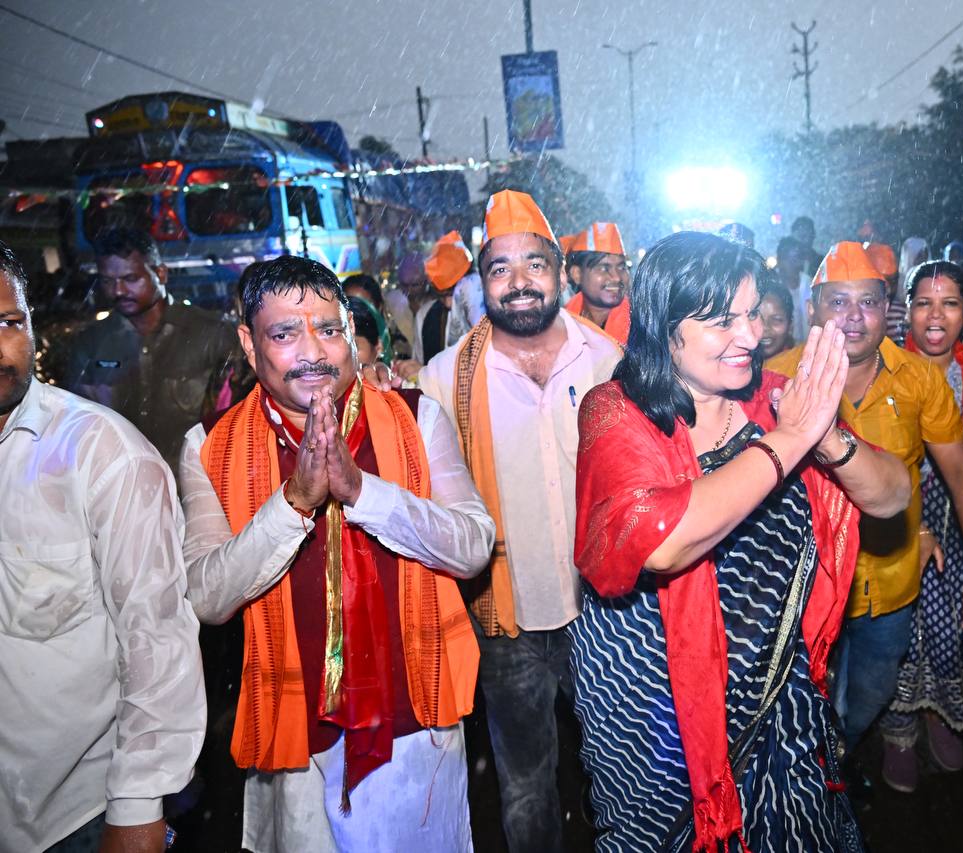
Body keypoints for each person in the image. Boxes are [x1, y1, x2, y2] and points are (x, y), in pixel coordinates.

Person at [571, 230, 910, 852]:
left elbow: (893, 496)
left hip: (779, 697)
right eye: (722, 321)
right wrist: (790, 440)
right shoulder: (616, 411)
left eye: (753, 313)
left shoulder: (776, 401)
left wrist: (826, 438)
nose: (751, 337)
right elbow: (661, 541)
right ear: (664, 326)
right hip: (657, 708)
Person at [179, 255, 495, 852]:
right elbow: (206, 597)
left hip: (413, 720)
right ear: (248, 344)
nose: (313, 353)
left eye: (328, 329)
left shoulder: (414, 416)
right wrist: (295, 501)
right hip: (292, 730)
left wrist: (362, 493)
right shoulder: (209, 445)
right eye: (284, 333)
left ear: (351, 330)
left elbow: (473, 546)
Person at [419, 190, 621, 853]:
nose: (519, 281)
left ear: (560, 270)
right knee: (527, 786)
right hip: (505, 618)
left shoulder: (608, 361)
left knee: (626, 769)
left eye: (534, 263)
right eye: (500, 268)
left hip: (607, 613)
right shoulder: (444, 380)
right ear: (481, 282)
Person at [0, 240, 205, 852]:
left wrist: (138, 808)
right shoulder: (99, 340)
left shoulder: (101, 453)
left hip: (75, 818)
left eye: (8, 323)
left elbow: (156, 637)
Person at [767, 242, 963, 779]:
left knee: (871, 694)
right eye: (838, 302)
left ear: (886, 309)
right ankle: (812, 783)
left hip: (890, 582)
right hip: (802, 590)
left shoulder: (918, 379)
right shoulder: (775, 380)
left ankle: (833, 764)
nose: (853, 317)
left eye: (867, 302)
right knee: (802, 702)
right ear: (812, 309)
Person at [879, 260, 963, 792]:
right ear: (906, 310)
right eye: (924, 304)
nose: (936, 317)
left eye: (950, 304)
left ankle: (939, 710)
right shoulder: (883, 362)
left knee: (961, 619)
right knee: (902, 626)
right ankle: (898, 726)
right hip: (898, 514)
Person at [63, 227, 238, 469]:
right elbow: (77, 424)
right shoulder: (91, 342)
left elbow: (242, 413)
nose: (118, 291)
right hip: (122, 481)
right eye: (107, 281)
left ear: (160, 274)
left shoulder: (212, 333)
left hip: (200, 478)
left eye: (130, 279)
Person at [385, 250, 448, 380]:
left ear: (427, 281)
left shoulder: (441, 305)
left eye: (414, 285)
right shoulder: (392, 302)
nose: (409, 290)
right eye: (404, 285)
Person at [565, 221, 631, 345]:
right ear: (577, 274)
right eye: (603, 268)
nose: (617, 277)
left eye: (622, 267)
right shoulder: (561, 324)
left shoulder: (642, 328)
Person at [425, 230, 486, 348]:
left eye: (451, 294)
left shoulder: (473, 288)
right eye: (441, 296)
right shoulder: (431, 317)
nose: (448, 303)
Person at [866, 241, 906, 345]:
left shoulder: (904, 315)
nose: (888, 288)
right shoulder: (849, 316)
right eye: (881, 281)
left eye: (892, 281)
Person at [775, 235, 811, 341]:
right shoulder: (771, 286)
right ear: (779, 260)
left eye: (796, 259)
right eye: (788, 260)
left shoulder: (809, 283)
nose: (793, 264)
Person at [756, 273, 795, 360]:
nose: (765, 327)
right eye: (757, 318)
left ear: (790, 326)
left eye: (776, 320)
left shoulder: (800, 364)